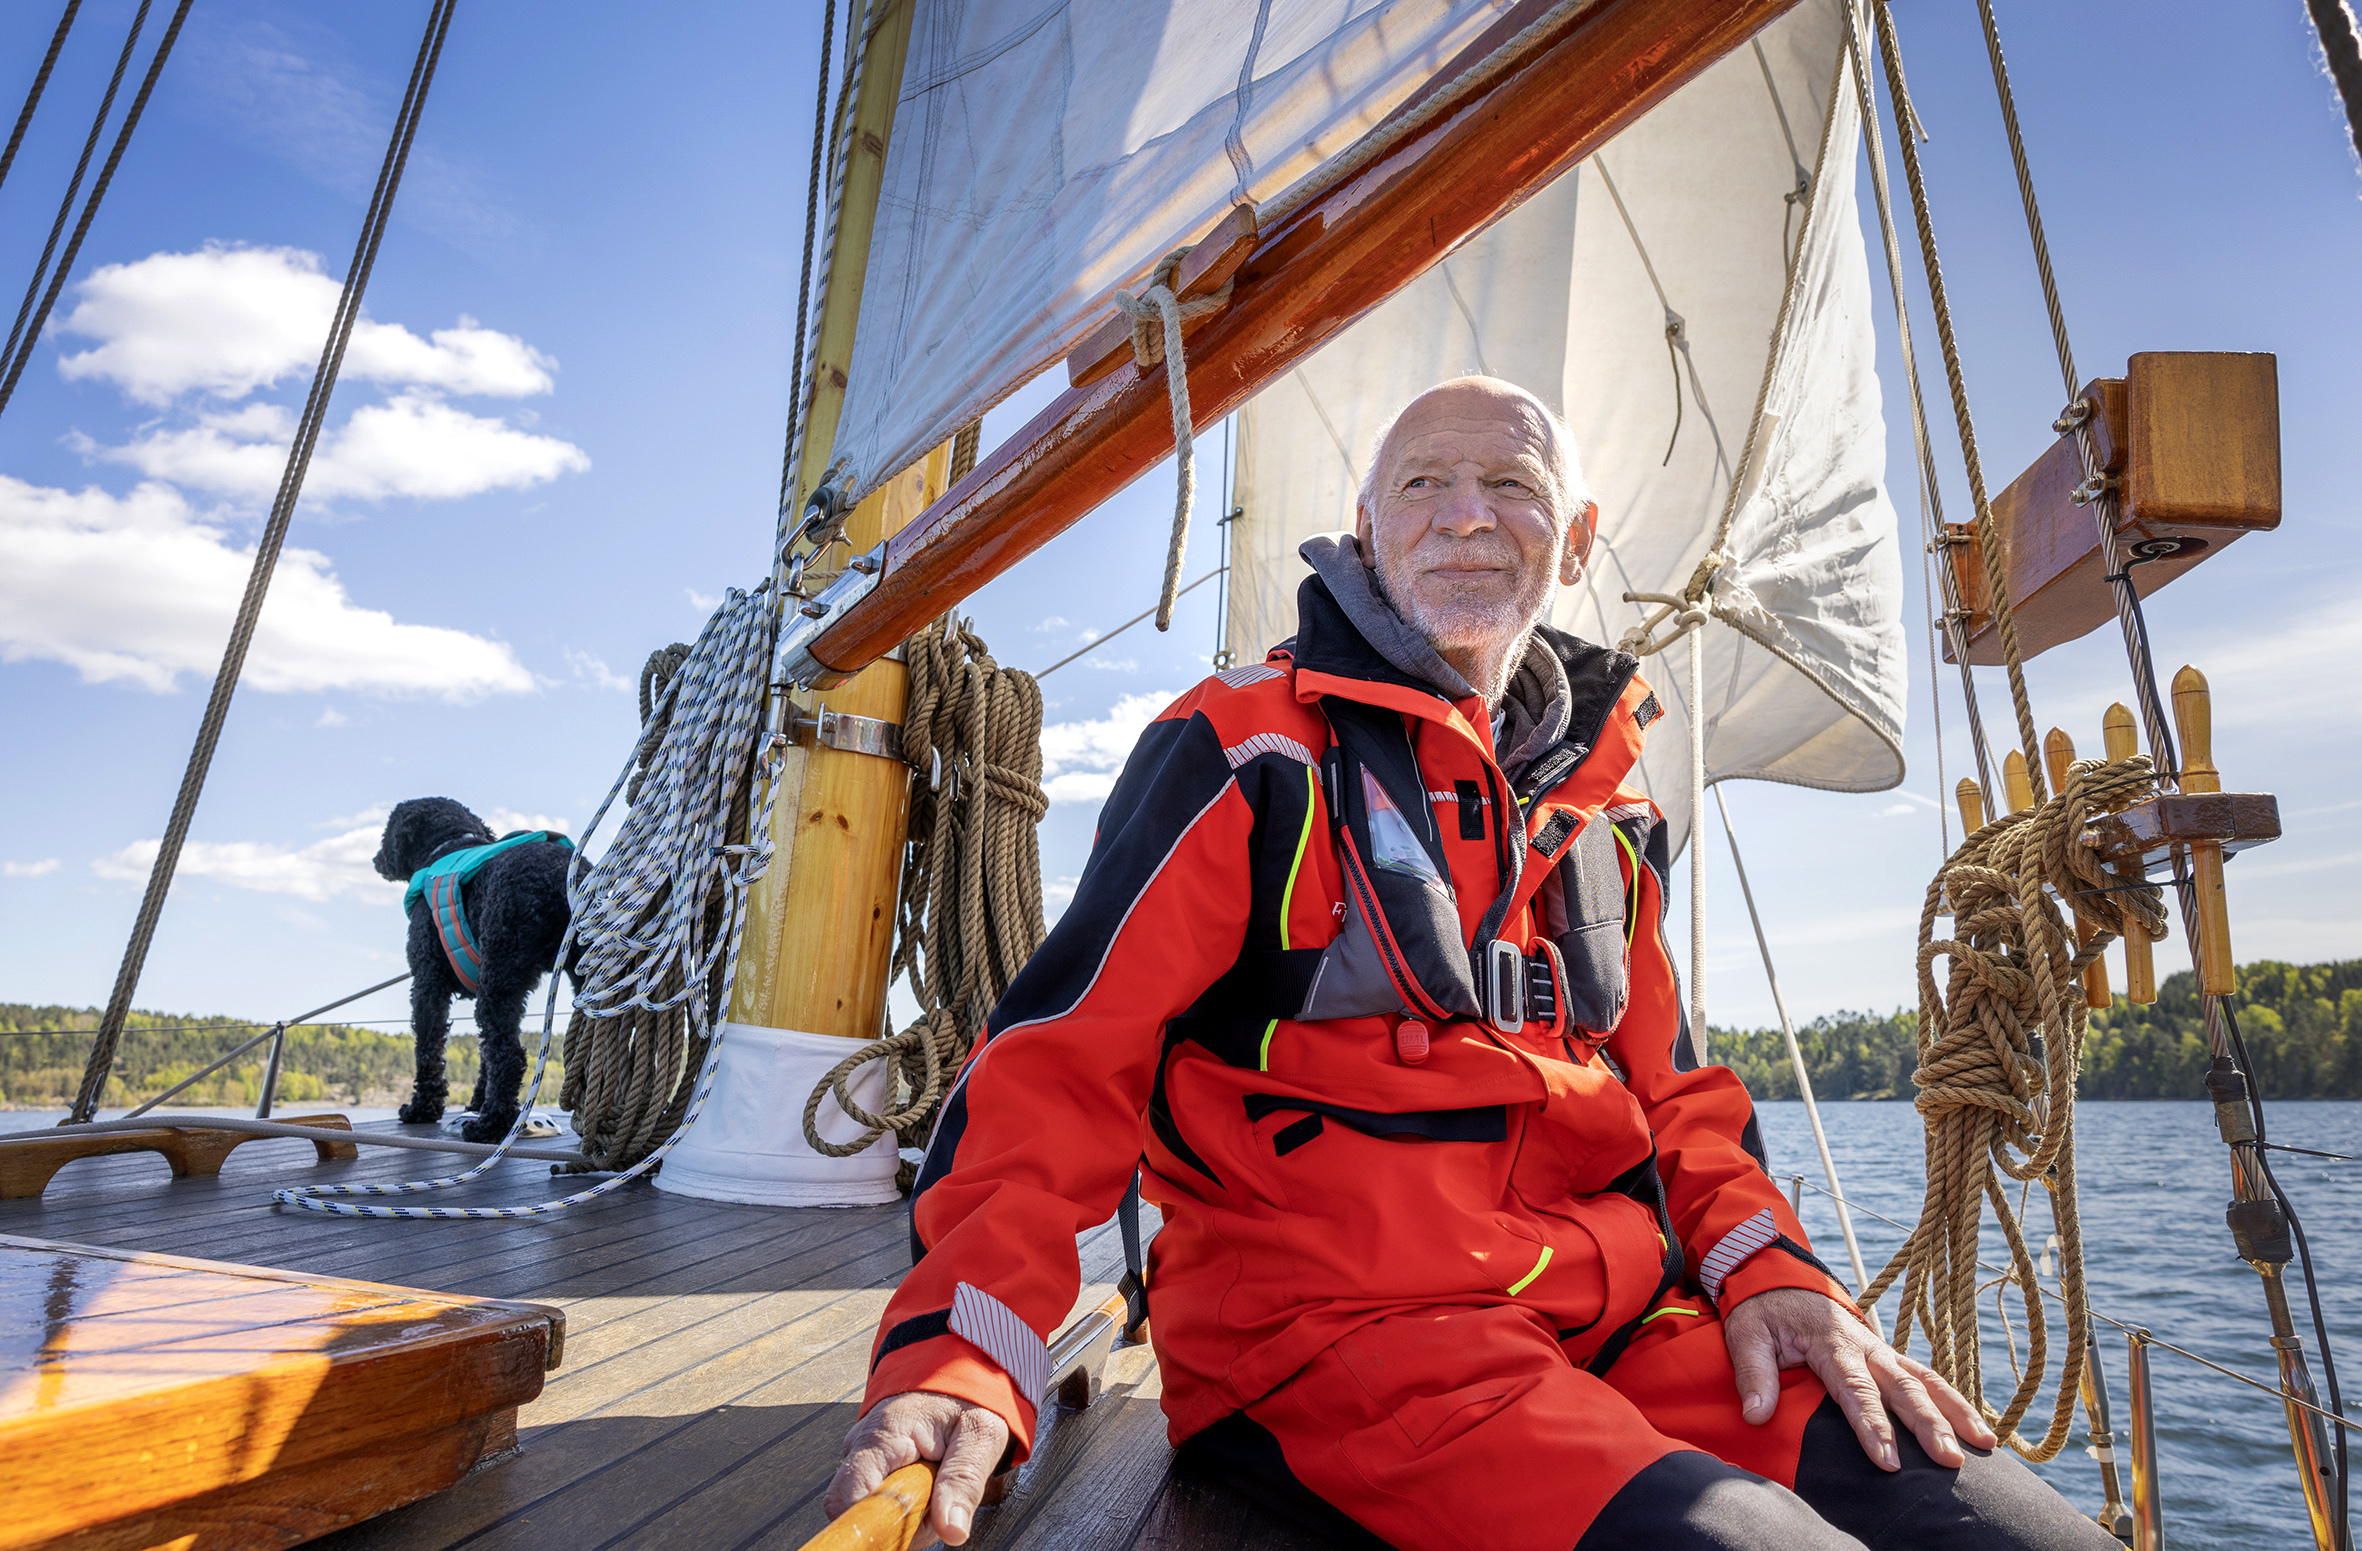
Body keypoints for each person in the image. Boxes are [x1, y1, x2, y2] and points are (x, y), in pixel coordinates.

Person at [824, 377, 2115, 1551]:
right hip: (1341, 1346)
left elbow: (1678, 1099)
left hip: (1628, 1322)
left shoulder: (1610, 807)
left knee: (2014, 1536)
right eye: (1422, 485)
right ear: (1364, 524)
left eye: (1510, 486)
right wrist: (962, 1357)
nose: (1464, 518)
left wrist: (1769, 1274)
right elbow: (1061, 1069)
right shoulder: (1243, 748)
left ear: (1576, 535)